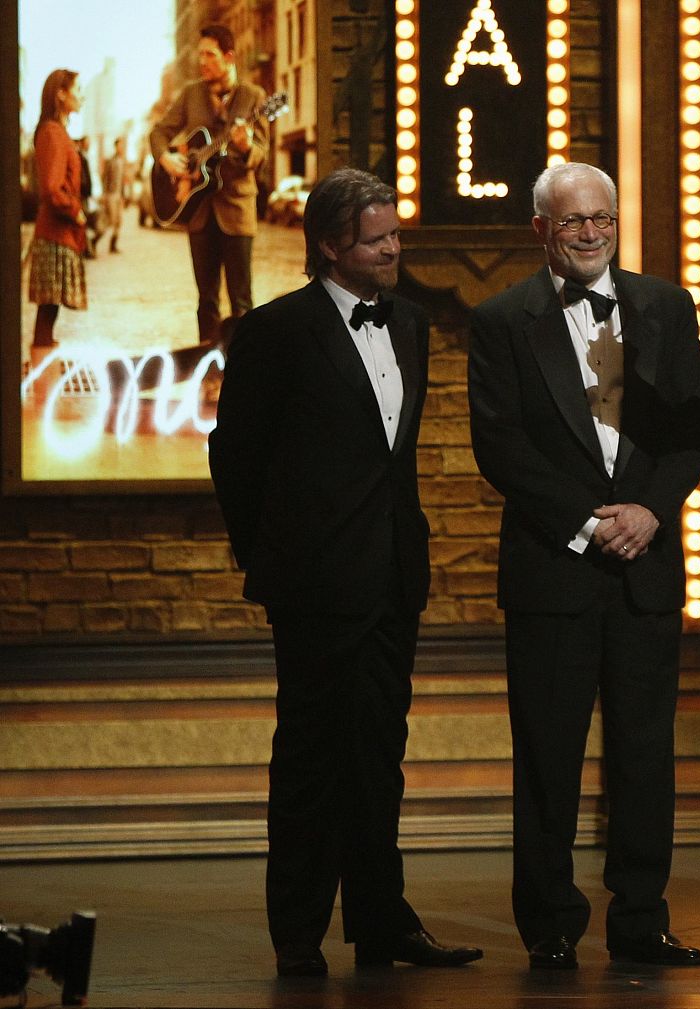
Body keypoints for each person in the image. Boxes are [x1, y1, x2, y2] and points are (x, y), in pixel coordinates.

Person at [210, 167, 482, 978]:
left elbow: (386, 459)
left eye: (395, 234)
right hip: (315, 583)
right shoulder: (274, 331)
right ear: (330, 246)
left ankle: (380, 920)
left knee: (379, 755)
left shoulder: (408, 324)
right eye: (377, 239)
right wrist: (268, 556)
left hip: (393, 576)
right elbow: (235, 455)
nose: (395, 247)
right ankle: (297, 930)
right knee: (310, 758)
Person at [468, 162, 700, 972]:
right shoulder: (503, 318)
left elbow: (690, 427)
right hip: (553, 571)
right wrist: (585, 523)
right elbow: (499, 443)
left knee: (645, 754)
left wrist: (648, 511)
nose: (589, 234)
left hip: (644, 564)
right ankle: (550, 924)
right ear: (542, 227)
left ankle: (641, 918)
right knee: (549, 755)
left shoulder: (666, 307)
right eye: (573, 221)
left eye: (601, 219)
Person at [148, 23, 268, 347]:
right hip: (199, 209)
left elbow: (261, 154)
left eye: (209, 54)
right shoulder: (190, 94)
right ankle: (208, 368)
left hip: (237, 209)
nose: (202, 61)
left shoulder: (254, 97)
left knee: (242, 301)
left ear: (229, 57)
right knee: (206, 299)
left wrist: (244, 148)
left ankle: (244, 367)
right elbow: (158, 132)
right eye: (199, 53)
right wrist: (166, 159)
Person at [27, 68, 87, 355]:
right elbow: (51, 189)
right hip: (54, 235)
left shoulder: (58, 131)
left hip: (57, 235)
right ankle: (41, 382)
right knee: (47, 315)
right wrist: (75, 210)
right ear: (61, 94)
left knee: (49, 314)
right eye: (77, 89)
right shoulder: (52, 132)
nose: (81, 96)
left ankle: (43, 374)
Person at [101, 136, 127, 254]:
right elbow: (105, 178)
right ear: (115, 146)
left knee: (119, 221)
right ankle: (96, 237)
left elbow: (122, 180)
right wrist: (104, 195)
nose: (121, 147)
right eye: (119, 145)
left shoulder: (122, 161)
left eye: (122, 145)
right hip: (110, 194)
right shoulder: (110, 161)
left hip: (118, 195)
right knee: (110, 220)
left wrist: (123, 195)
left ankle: (113, 245)